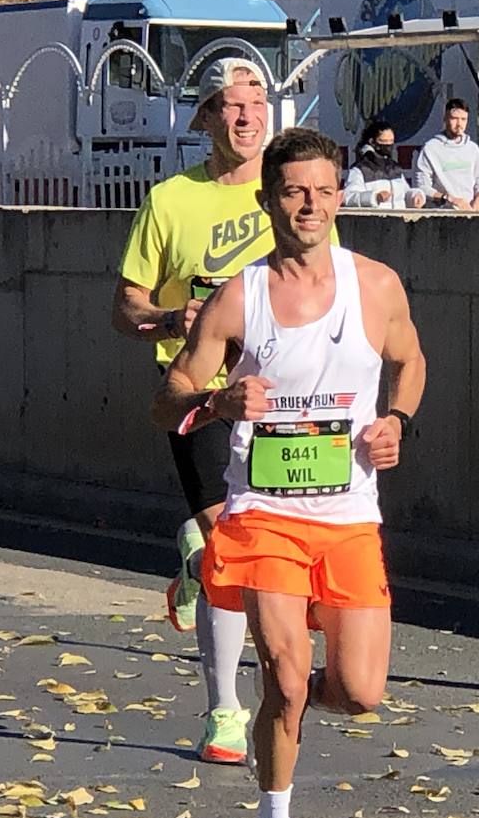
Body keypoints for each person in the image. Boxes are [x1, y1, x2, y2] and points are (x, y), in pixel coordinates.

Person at [150, 127, 426, 818]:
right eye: (296, 191)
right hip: (263, 513)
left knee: (362, 692)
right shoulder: (240, 297)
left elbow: (410, 360)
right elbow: (167, 396)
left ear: (341, 196)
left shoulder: (375, 285)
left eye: (325, 191)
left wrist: (397, 421)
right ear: (270, 199)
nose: (311, 205)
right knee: (288, 674)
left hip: (349, 517)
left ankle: (291, 703)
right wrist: (217, 400)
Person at [113, 57, 336, 767]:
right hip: (202, 394)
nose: (246, 119)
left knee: (263, 554)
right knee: (227, 550)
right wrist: (169, 317)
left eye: (256, 105)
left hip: (284, 392)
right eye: (230, 108)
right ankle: (225, 708)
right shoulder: (171, 201)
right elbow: (125, 304)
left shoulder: (289, 190)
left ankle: (197, 557)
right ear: (205, 118)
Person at [414, 98, 479, 210]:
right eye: (454, 119)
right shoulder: (430, 148)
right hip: (441, 215)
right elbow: (422, 186)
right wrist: (448, 198)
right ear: (445, 118)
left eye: (463, 119)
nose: (459, 124)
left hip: (469, 213)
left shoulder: (472, 148)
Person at [343, 119, 426, 209]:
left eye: (391, 142)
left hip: (399, 220)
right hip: (374, 221)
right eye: (384, 141)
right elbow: (348, 197)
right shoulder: (360, 169)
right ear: (373, 142)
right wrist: (374, 197)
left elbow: (404, 193)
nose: (388, 146)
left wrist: (415, 196)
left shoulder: (395, 168)